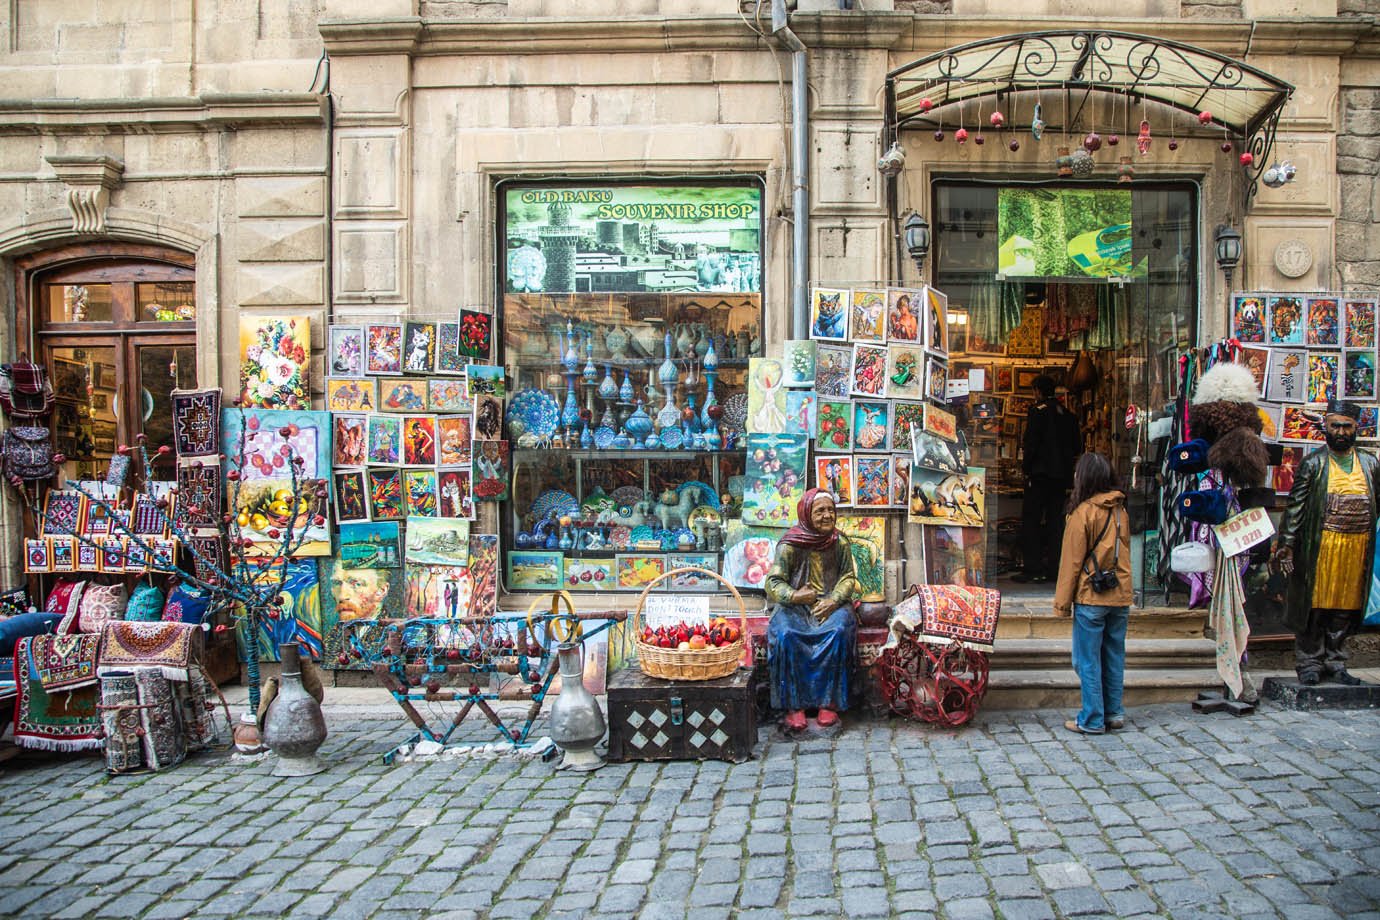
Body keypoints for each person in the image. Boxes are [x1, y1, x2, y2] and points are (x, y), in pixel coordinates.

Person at [1274, 400, 1380, 686]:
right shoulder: (1314, 463)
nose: (1342, 432)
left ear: (1356, 428)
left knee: (1346, 606)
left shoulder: (1370, 463)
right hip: (1321, 547)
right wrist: (1287, 542)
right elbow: (1295, 506)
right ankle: (1310, 661)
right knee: (1315, 605)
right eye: (1336, 426)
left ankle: (1336, 660)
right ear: (1326, 427)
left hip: (1357, 547)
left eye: (1347, 426)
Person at [764, 489, 860, 732]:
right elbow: (773, 583)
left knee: (838, 632)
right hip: (795, 607)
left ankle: (829, 702)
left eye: (831, 510)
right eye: (820, 511)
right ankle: (793, 706)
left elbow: (848, 577)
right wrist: (796, 595)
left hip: (831, 604)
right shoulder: (789, 545)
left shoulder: (840, 542)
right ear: (806, 514)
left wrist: (835, 599)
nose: (827, 516)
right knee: (786, 635)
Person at [1054, 452, 1133, 734]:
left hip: (1091, 596)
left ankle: (1092, 719)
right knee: (1113, 656)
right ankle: (1113, 712)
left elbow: (1071, 562)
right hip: (1119, 596)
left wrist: (1062, 604)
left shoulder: (1082, 513)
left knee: (1086, 659)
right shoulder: (1120, 510)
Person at [1016, 375, 1081, 583]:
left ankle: (1032, 567)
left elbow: (1031, 444)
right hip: (1060, 477)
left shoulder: (1037, 412)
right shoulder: (1069, 415)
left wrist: (1026, 468)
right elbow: (1076, 447)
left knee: (1032, 520)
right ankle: (1055, 567)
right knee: (1055, 522)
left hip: (1039, 475)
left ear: (1037, 391)